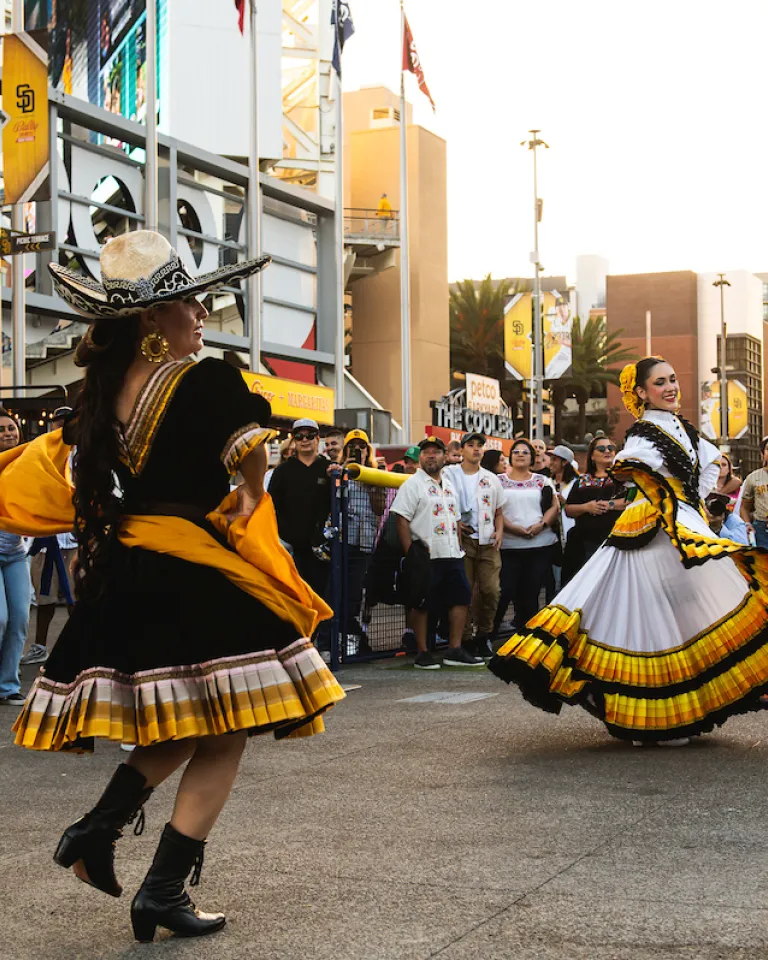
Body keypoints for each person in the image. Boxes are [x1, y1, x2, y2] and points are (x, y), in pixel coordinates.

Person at [5, 231, 344, 941]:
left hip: (125, 576)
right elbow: (249, 449)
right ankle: (151, 880)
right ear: (153, 321)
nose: (200, 314)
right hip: (190, 574)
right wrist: (251, 495)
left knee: (204, 722)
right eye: (188, 303)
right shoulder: (207, 377)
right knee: (227, 727)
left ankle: (102, 835)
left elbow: (55, 480)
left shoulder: (96, 398)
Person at [489, 356, 768, 745]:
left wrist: (692, 501)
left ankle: (674, 711)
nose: (671, 387)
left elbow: (711, 464)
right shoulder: (643, 432)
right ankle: (651, 718)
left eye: (673, 379)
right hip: (650, 531)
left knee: (687, 611)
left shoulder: (683, 429)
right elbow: (630, 463)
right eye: (660, 382)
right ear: (641, 392)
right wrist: (674, 497)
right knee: (647, 618)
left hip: (678, 523)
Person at [391, 437, 483, 669]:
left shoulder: (449, 484)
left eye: (436, 452)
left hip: (452, 552)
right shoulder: (412, 484)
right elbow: (401, 519)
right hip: (426, 553)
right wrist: (411, 553)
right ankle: (422, 651)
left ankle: (454, 649)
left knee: (461, 599)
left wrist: (459, 544)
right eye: (426, 452)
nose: (431, 455)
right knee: (422, 603)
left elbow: (457, 518)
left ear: (444, 456)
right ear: (420, 457)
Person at [491, 439, 559, 646]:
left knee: (531, 593)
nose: (520, 455)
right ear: (509, 457)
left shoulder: (542, 480)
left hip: (540, 545)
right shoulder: (497, 481)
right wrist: (512, 528)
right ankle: (489, 636)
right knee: (503, 591)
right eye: (516, 452)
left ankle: (529, 640)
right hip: (509, 546)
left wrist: (541, 525)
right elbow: (495, 509)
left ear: (532, 457)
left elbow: (554, 507)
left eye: (525, 452)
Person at [444, 432, 504, 658]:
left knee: (491, 589)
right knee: (464, 590)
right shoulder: (449, 473)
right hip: (462, 540)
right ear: (462, 449)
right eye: (471, 445)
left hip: (488, 539)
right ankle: (466, 637)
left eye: (480, 445)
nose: (476, 449)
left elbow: (499, 510)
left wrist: (499, 531)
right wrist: (456, 522)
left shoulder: (491, 478)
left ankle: (484, 635)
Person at [268, 418, 333, 598]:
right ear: (294, 440)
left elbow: (341, 504)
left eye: (310, 435)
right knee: (292, 597)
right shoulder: (282, 471)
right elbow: (271, 505)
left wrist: (335, 478)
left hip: (320, 547)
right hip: (290, 547)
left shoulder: (329, 469)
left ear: (317, 439)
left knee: (319, 598)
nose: (305, 440)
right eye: (299, 436)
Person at [560, 436, 627, 585]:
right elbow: (569, 509)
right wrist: (586, 507)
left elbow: (633, 502)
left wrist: (609, 504)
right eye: (601, 449)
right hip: (585, 542)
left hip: (616, 541)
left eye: (611, 448)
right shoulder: (583, 480)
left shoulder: (625, 478)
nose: (607, 451)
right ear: (592, 455)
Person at [339, 429, 385, 646]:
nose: (357, 450)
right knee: (339, 589)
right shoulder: (338, 472)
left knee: (356, 591)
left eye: (361, 447)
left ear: (369, 450)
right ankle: (341, 635)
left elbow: (380, 508)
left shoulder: (375, 475)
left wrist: (369, 479)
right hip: (341, 539)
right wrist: (345, 471)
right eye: (352, 446)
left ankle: (353, 636)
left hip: (365, 541)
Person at [0, 410, 32, 706]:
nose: (8, 433)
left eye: (12, 427)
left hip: (15, 553)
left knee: (20, 618)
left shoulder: (29, 462)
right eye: (1, 430)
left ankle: (8, 686)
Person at [547, 444, 579, 593]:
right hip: (549, 537)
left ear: (565, 462)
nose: (550, 463)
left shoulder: (577, 483)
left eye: (554, 459)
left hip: (569, 536)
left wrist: (565, 502)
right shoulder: (547, 482)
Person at [739, 440, 768, 548]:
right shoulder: (753, 478)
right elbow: (744, 507)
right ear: (762, 454)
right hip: (761, 529)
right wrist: (747, 524)